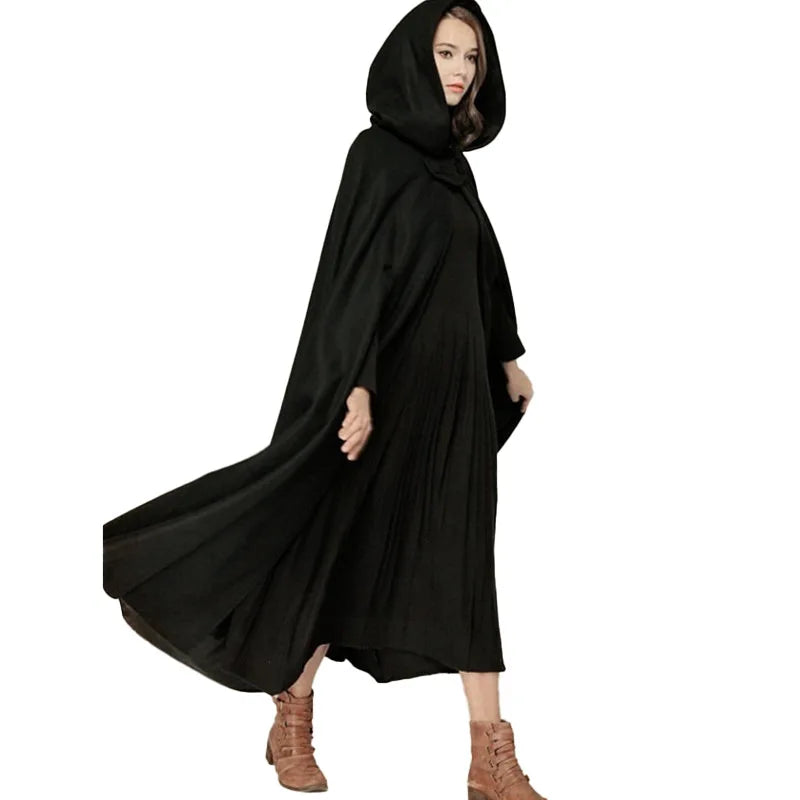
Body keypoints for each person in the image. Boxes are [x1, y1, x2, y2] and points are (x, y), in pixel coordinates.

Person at [103, 1, 546, 798]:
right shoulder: (376, 155)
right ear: (411, 57)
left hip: (455, 399)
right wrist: (357, 385)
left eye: (471, 57)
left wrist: (506, 355)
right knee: (340, 553)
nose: (458, 70)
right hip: (390, 390)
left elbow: (481, 271)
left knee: (465, 562)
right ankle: (293, 717)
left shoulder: (456, 169)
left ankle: (490, 759)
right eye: (444, 52)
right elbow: (351, 281)